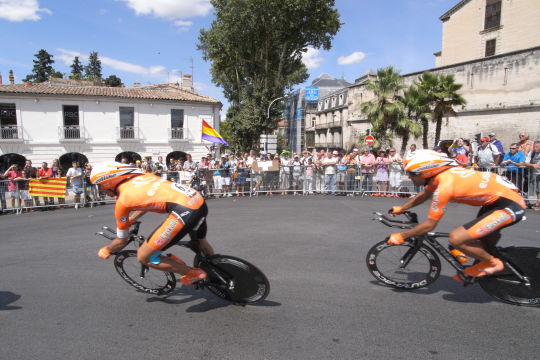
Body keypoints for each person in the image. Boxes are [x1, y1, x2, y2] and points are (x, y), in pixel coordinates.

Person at [387, 150, 526, 280]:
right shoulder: (443, 175)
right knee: (474, 240)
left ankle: (493, 263)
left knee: (456, 238)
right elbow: (425, 193)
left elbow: (429, 225)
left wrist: (401, 236)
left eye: (412, 173)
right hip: (498, 201)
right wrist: (402, 207)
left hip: (509, 206)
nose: (409, 177)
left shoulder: (445, 187)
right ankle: (485, 257)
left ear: (425, 173)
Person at [91, 162, 214, 286]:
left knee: (144, 257)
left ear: (108, 182)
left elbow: (121, 241)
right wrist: (132, 218)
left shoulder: (122, 201)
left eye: (100, 185)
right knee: (200, 243)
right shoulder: (145, 176)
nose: (101, 189)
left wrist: (107, 249)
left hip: (185, 211)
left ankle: (195, 273)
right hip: (197, 200)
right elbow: (146, 201)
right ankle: (216, 267)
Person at [517, 141, 540, 210]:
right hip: (534, 174)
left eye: (537, 147)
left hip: (538, 174)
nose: (535, 148)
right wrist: (532, 165)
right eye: (534, 147)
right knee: (537, 189)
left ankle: (538, 204)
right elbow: (524, 162)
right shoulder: (532, 153)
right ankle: (538, 203)